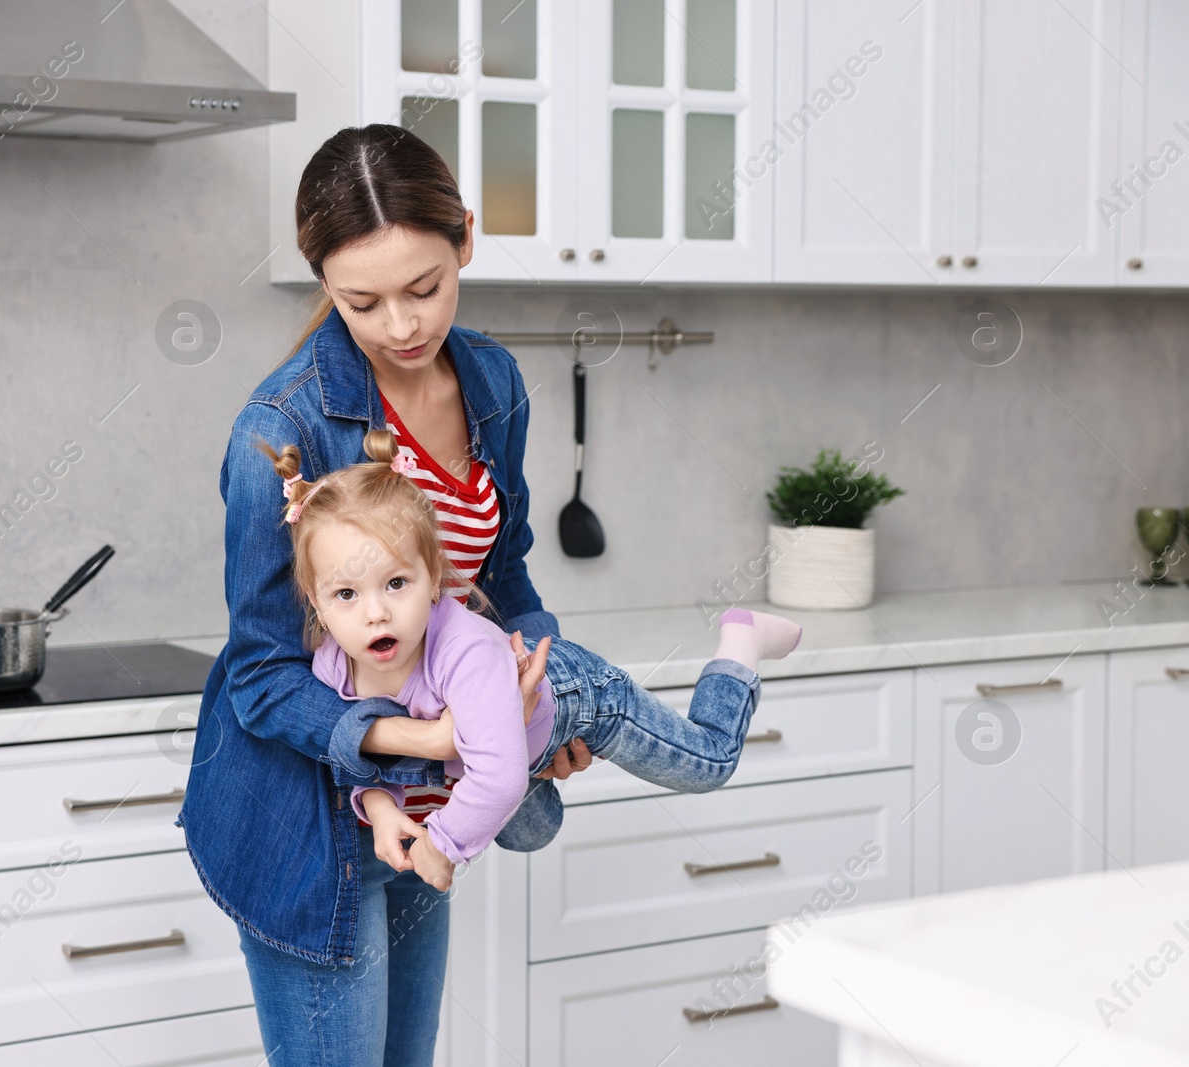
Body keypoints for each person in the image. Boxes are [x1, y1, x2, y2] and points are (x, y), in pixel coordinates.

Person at [179, 122, 590, 1067]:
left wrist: (540, 691)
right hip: (304, 814)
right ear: (322, 280)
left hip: (427, 802)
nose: (403, 326)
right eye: (361, 301)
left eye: (425, 288)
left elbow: (506, 571)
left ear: (467, 243)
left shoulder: (490, 379)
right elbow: (264, 676)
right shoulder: (279, 428)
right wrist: (435, 737)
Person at [260, 432, 801, 892]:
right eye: (346, 595)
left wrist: (443, 847)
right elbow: (357, 756)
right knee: (531, 832)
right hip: (498, 740)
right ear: (317, 603)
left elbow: (495, 782)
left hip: (579, 697)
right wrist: (380, 811)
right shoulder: (333, 664)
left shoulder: (464, 652)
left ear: (435, 583)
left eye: (397, 583)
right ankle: (524, 761)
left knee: (709, 763)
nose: (376, 614)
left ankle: (741, 644)